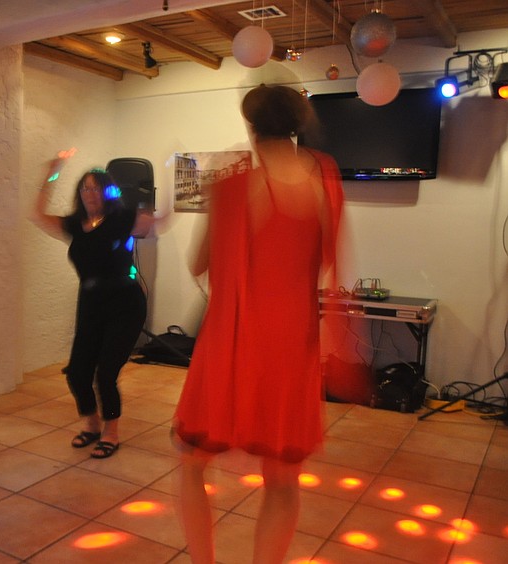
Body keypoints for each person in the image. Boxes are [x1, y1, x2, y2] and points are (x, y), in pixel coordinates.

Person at [172, 85, 344, 564]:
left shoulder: (233, 182)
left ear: (250, 126)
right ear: (298, 123)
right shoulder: (323, 176)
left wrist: (220, 204)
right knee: (283, 477)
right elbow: (328, 258)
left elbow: (199, 263)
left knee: (190, 460)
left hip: (233, 339)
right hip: (291, 345)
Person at [33, 153, 156, 459]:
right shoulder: (76, 225)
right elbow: (38, 213)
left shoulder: (121, 219)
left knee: (105, 373)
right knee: (76, 371)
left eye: (95, 188)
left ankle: (111, 432)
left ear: (107, 192)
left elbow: (155, 224)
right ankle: (91, 424)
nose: (90, 194)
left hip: (126, 304)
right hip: (91, 304)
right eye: (85, 189)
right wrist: (52, 173)